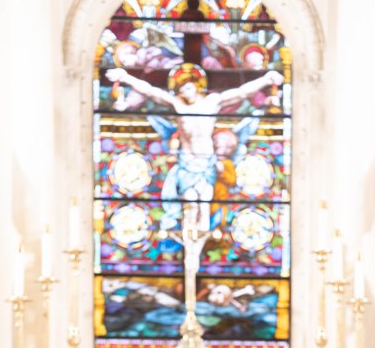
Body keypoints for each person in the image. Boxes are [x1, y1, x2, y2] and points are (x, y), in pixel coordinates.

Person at [106, 62, 283, 231]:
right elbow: (151, 92)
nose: (184, 91)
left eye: (188, 87)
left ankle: (202, 245)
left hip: (206, 162)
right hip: (187, 162)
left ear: (198, 86)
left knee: (204, 208)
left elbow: (241, 92)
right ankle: (186, 244)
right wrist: (125, 77)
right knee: (189, 204)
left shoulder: (212, 102)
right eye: (181, 88)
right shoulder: (177, 104)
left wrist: (267, 79)